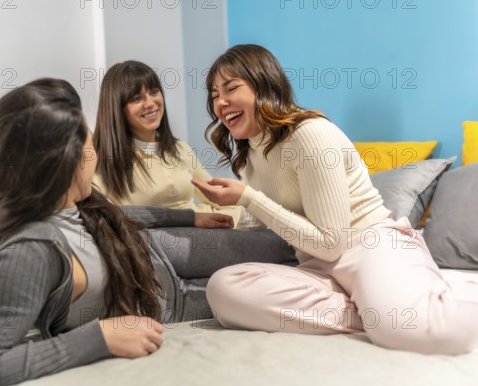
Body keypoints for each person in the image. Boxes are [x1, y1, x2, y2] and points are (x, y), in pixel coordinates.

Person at [0, 78, 296, 386]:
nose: (95, 150)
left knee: (288, 249)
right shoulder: (28, 252)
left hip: (160, 247)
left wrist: (191, 218)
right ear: (65, 160)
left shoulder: (63, 202)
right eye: (88, 140)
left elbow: (115, 216)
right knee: (290, 282)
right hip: (169, 303)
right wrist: (99, 337)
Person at [193, 44, 478, 355]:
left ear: (264, 85)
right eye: (213, 95)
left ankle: (418, 304)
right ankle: (376, 312)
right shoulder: (249, 154)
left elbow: (332, 242)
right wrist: (223, 216)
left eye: (231, 88)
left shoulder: (310, 133)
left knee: (424, 331)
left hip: (371, 245)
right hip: (319, 267)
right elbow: (268, 217)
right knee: (224, 290)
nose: (220, 103)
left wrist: (248, 197)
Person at [92, 60, 240, 224]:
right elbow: (112, 219)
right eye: (136, 98)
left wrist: (248, 212)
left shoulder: (179, 148)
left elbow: (217, 196)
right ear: (116, 108)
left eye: (154, 92)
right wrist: (191, 219)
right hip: (159, 244)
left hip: (205, 233)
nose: (150, 103)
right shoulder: (101, 160)